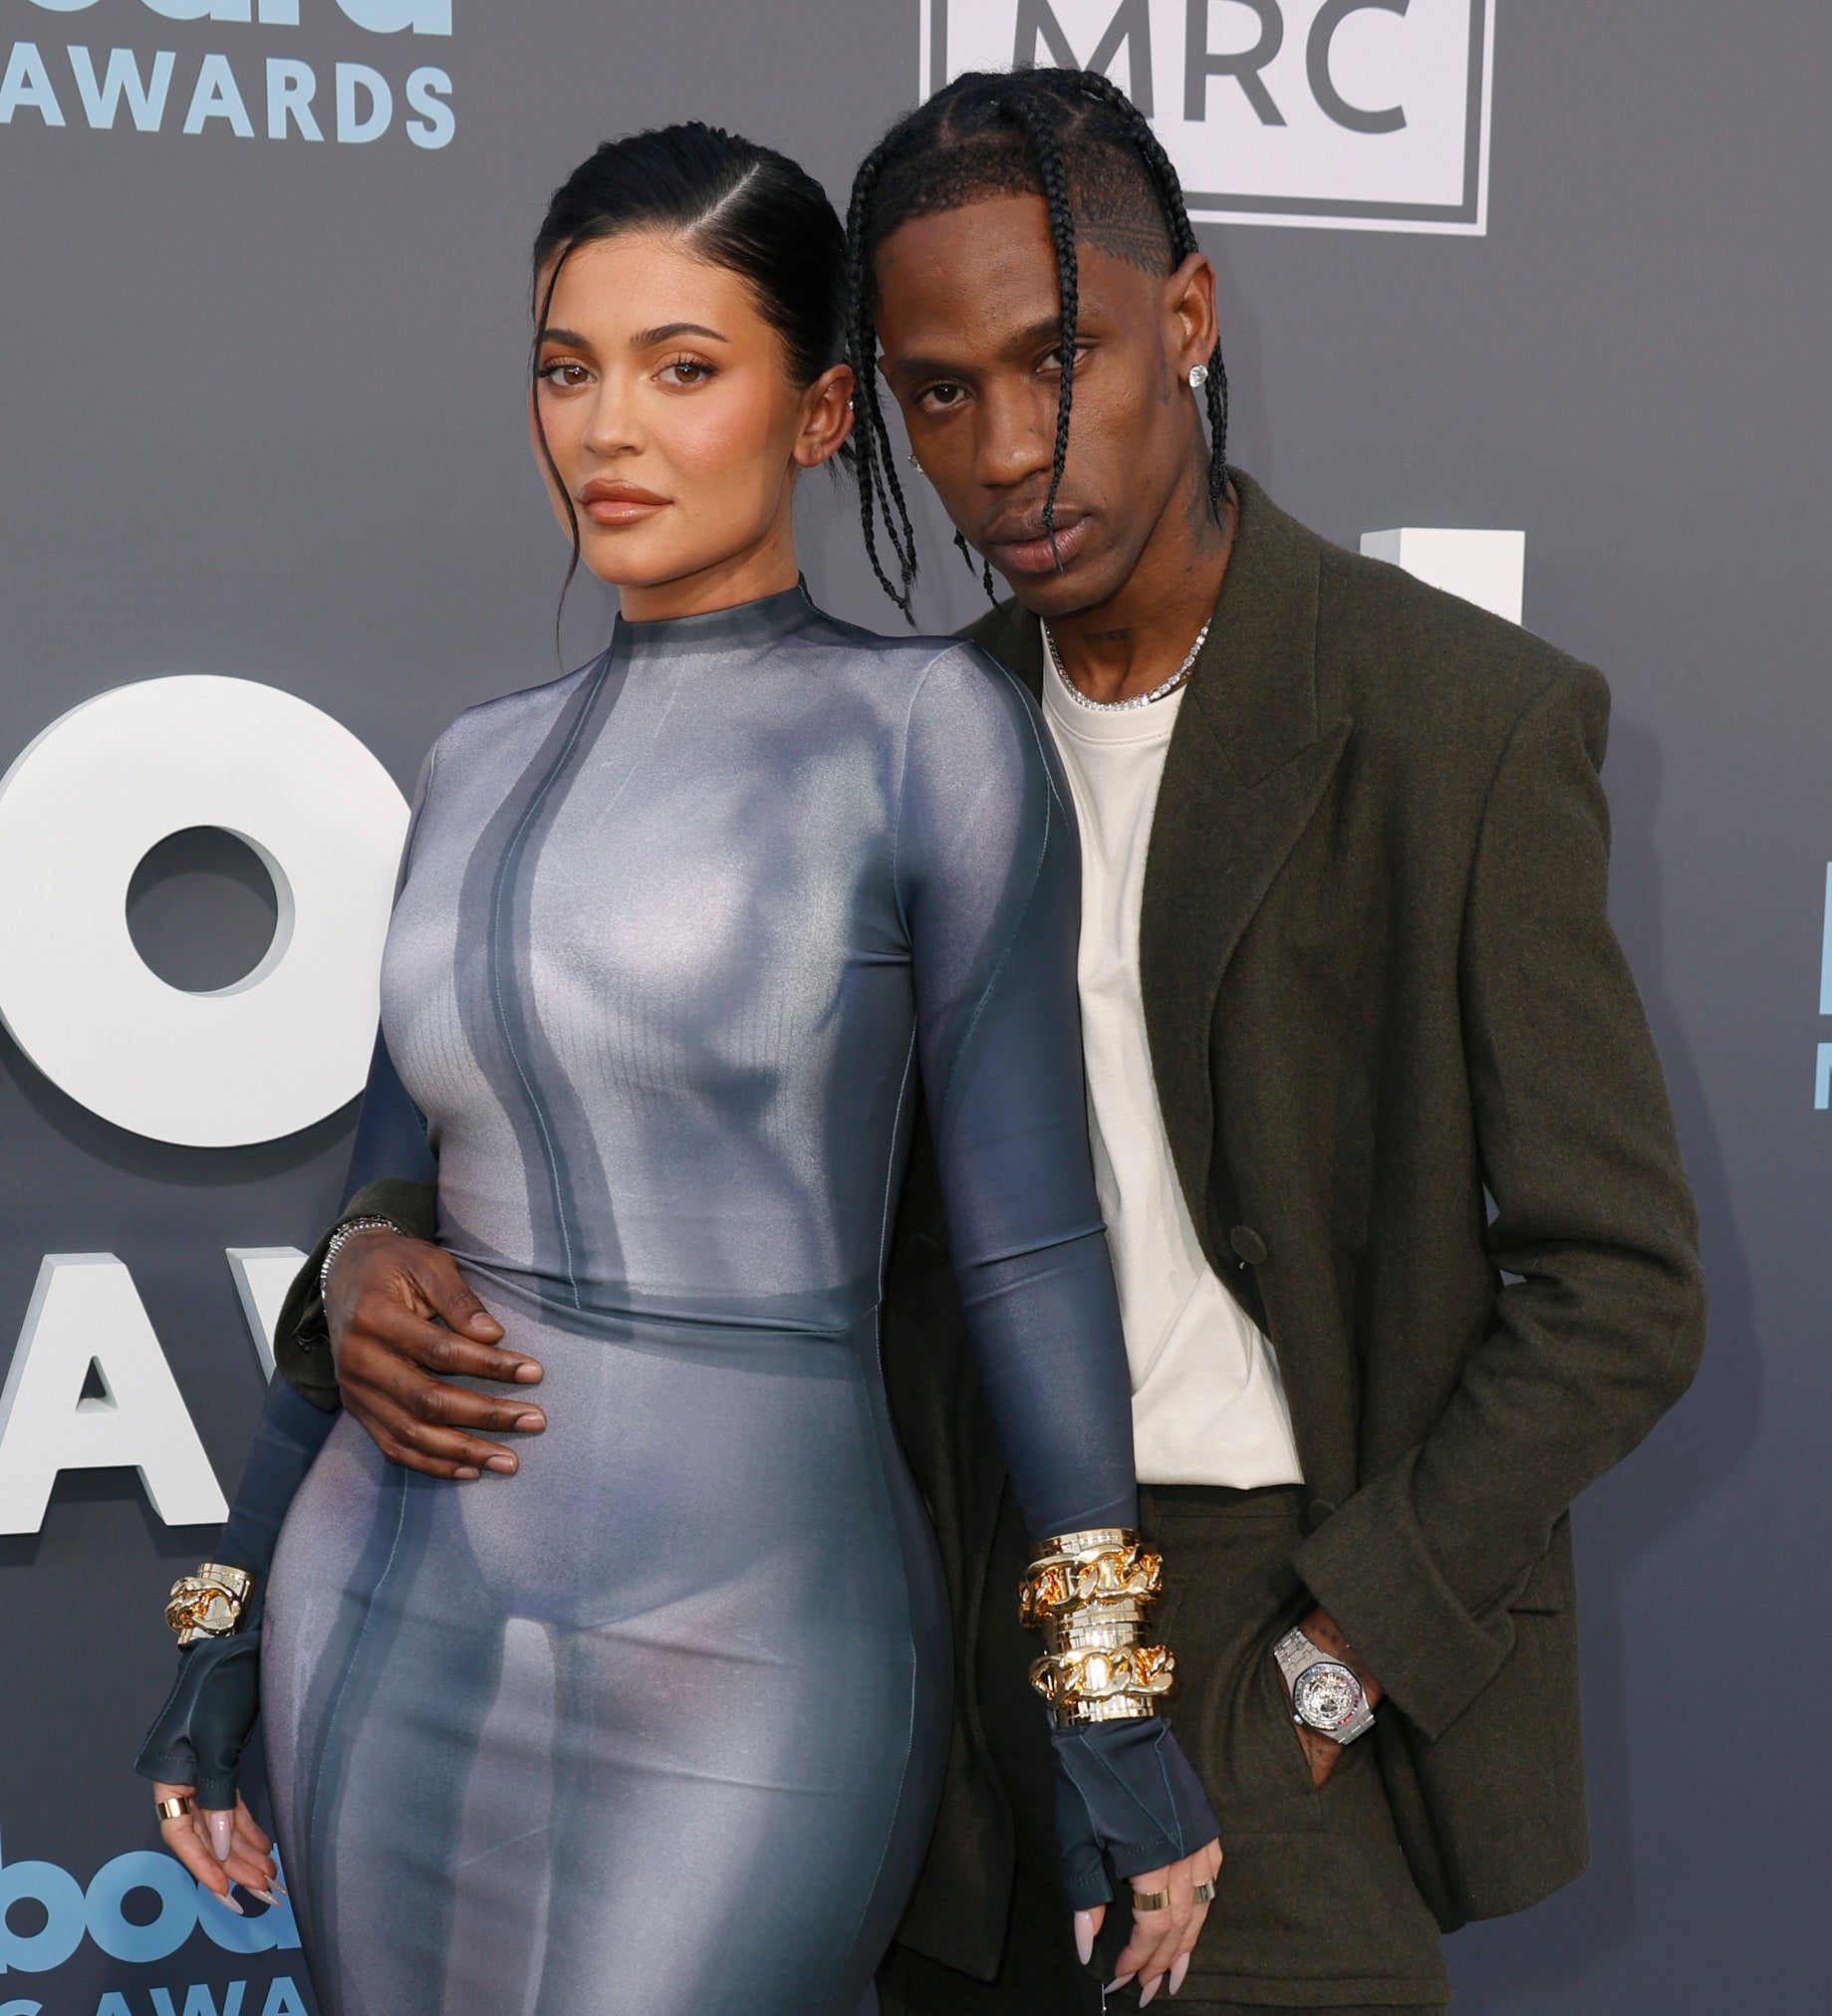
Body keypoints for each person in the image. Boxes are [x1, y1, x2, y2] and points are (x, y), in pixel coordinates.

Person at [263, 68, 1709, 2016]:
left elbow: (1614, 1282)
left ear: (1182, 323)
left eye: (1061, 358)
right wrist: (359, 1251)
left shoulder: (1456, 725)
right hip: (916, 1632)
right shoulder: (885, 736)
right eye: (941, 391)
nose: (1010, 449)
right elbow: (498, 1115)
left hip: (1264, 1628)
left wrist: (1337, 1642)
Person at [132, 120, 1224, 2016]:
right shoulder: (471, 761)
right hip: (384, 1614)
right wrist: (226, 1611)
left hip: (753, 1647)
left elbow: (1032, 1251)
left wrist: (1105, 1696)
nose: (605, 429)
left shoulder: (925, 741)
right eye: (570, 368)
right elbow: (380, 1206)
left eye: (682, 368)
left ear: (817, 418)